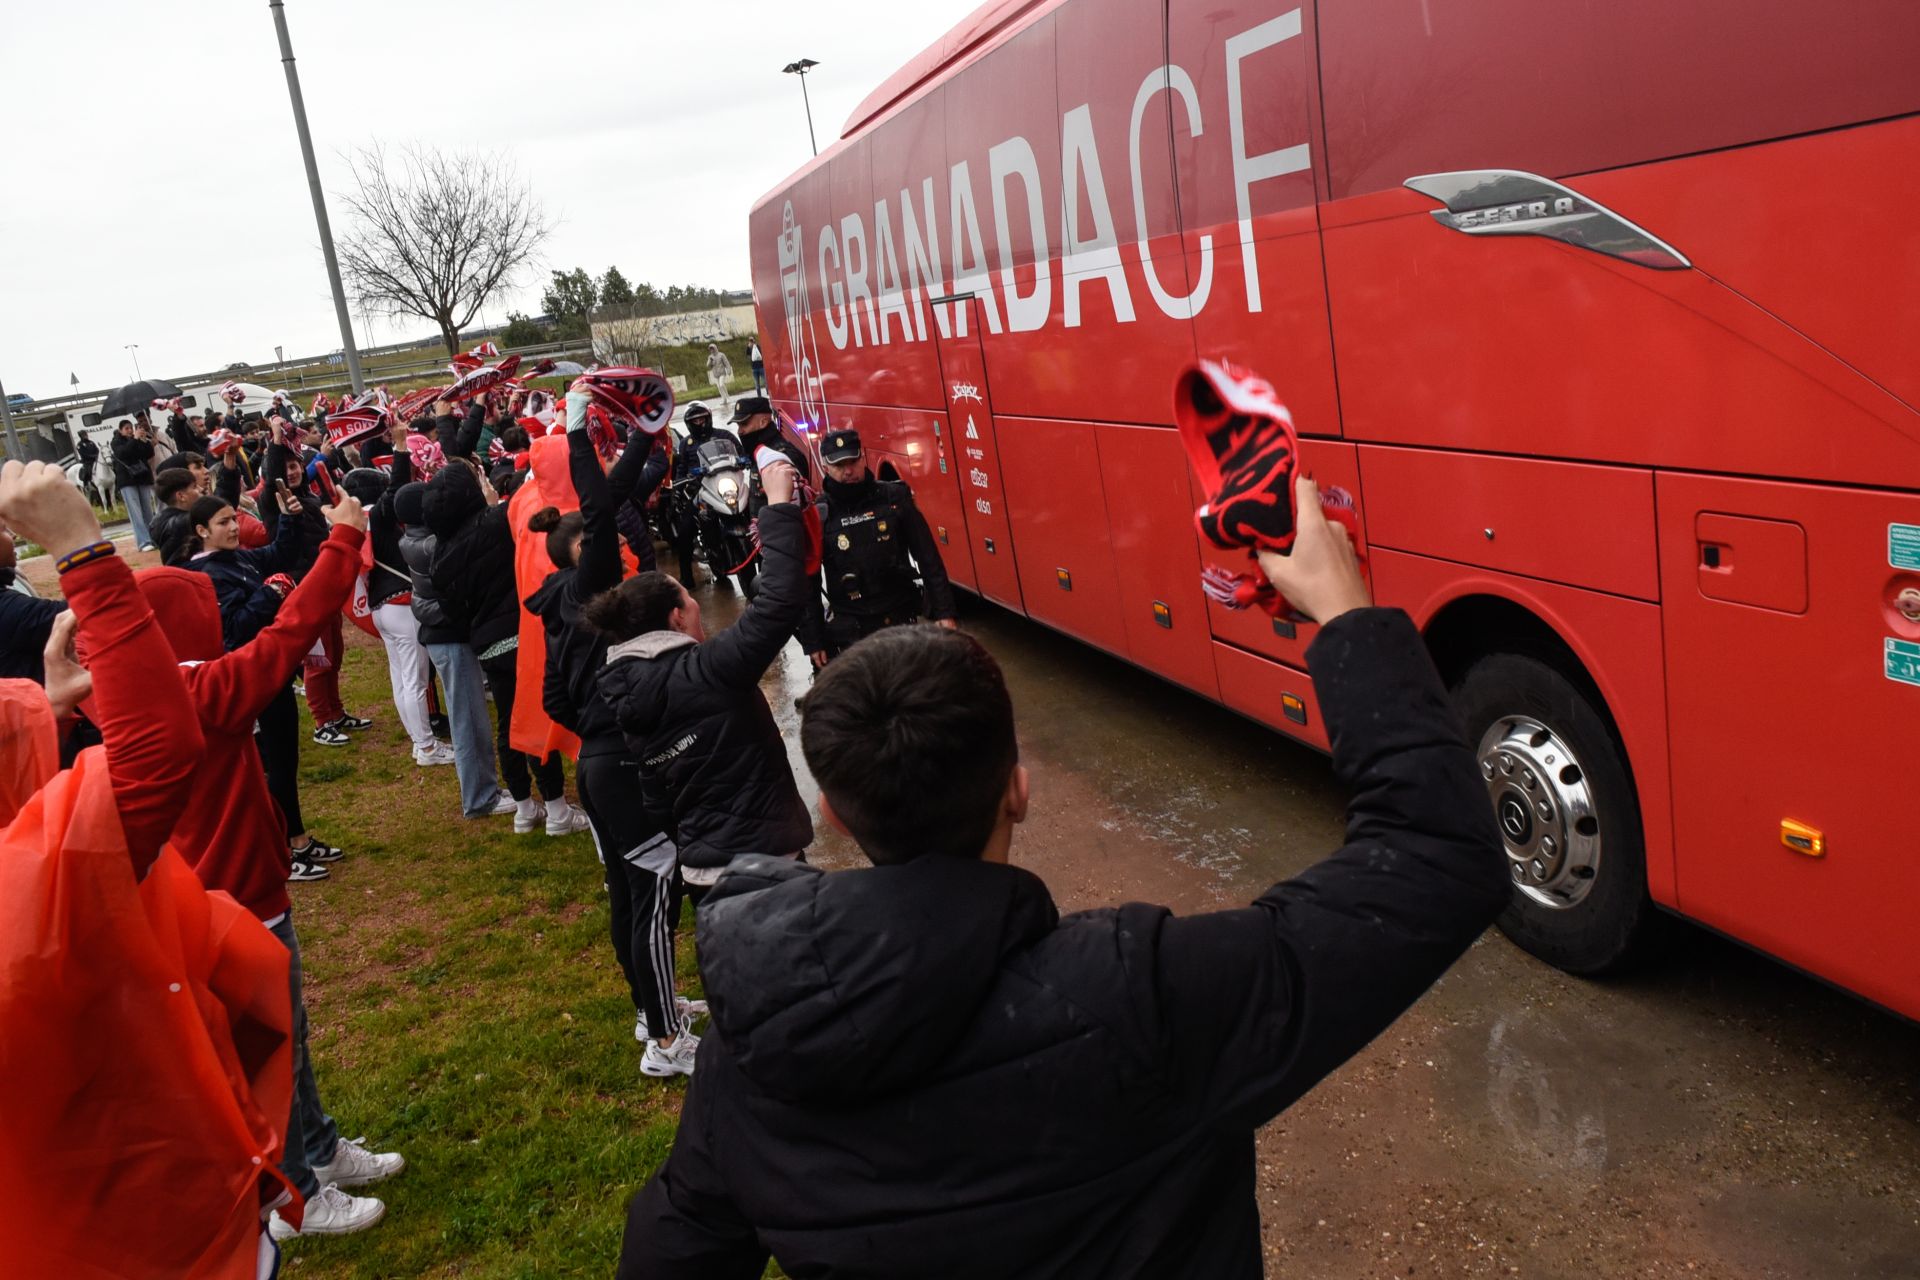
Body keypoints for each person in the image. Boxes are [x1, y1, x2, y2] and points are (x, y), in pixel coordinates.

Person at [613, 476, 1512, 1279]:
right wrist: (1345, 614)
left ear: (837, 815)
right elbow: (1436, 859)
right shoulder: (1140, 995)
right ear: (1018, 791)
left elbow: (673, 1249)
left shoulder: (753, 1044)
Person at [0, 459, 295, 1278]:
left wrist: (55, 706)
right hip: (164, 1228)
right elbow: (160, 747)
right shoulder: (41, 889)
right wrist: (81, 551)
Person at [139, 493, 403, 1243]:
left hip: (249, 886)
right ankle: (293, 1195)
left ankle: (318, 1148)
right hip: (234, 902)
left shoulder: (174, 682)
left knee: (291, 1032)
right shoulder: (194, 690)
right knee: (268, 1050)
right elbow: (285, 633)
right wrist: (342, 538)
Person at [525, 420, 701, 1076]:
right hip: (622, 766)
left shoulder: (562, 611)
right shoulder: (587, 588)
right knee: (656, 890)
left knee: (630, 894)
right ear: (584, 556)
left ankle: (652, 1008)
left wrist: (644, 437)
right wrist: (578, 428)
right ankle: (664, 1043)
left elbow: (553, 700)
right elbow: (604, 509)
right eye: (608, 547)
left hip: (599, 763)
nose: (624, 552)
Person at [586, 456, 813, 908]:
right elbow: (778, 603)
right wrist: (780, 507)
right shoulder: (711, 669)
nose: (698, 611)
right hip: (771, 868)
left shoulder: (623, 690)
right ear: (676, 617)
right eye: (692, 602)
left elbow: (658, 802)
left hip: (704, 877)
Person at [186, 491, 343, 879]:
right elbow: (236, 627)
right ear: (202, 530)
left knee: (285, 763)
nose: (233, 527)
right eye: (223, 522)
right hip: (248, 680)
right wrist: (270, 593)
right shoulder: (208, 574)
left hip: (271, 676)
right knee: (270, 768)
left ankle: (298, 840)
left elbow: (275, 555)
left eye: (232, 519)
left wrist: (288, 518)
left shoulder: (235, 557)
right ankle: (282, 852)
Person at [424, 460, 586, 836]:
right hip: (523, 636)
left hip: (487, 646)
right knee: (537, 720)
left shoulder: (439, 559)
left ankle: (524, 808)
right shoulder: (497, 523)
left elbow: (452, 613)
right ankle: (558, 810)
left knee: (510, 724)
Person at [396, 477, 513, 819]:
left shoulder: (414, 539)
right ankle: (480, 797)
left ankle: (482, 790)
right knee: (469, 720)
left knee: (471, 716)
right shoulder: (432, 546)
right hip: (448, 637)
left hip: (443, 634)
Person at [798, 428, 958, 667]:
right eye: (839, 465)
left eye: (852, 461)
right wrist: (814, 640)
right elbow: (809, 583)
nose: (848, 471)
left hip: (899, 618)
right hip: (852, 629)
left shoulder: (894, 498)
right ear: (826, 466)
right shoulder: (819, 515)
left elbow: (928, 557)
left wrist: (945, 612)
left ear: (863, 458)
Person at [343, 460, 453, 767]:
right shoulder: (376, 517)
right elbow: (394, 491)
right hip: (401, 605)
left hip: (381, 607)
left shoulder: (355, 521)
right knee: (415, 681)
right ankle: (427, 747)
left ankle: (420, 744)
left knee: (402, 680)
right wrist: (401, 450)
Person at [667, 401, 729, 585]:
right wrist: (678, 488)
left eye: (702, 418)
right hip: (700, 490)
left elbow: (740, 453)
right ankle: (686, 577)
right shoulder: (686, 444)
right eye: (695, 420)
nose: (700, 422)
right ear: (688, 423)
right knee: (685, 532)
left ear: (709, 417)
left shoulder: (723, 435)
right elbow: (681, 469)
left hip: (725, 487)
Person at [108, 418, 158, 550]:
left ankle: (153, 538)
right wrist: (135, 440)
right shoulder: (116, 442)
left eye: (131, 428)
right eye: (126, 428)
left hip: (142, 478)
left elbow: (148, 454)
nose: (130, 431)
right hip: (127, 481)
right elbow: (123, 453)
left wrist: (146, 442)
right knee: (135, 512)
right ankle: (143, 542)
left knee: (148, 510)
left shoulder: (138, 439)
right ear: (120, 430)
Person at [729, 397, 807, 477]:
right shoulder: (758, 452)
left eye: (744, 424)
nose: (739, 431)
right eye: (738, 426)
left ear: (763, 422)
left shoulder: (777, 458)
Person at [148, 466, 202, 566]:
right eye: (194, 487)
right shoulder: (183, 523)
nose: (200, 490)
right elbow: (217, 511)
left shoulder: (160, 521)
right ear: (181, 496)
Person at [74, 430, 101, 506]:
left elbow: (97, 450)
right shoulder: (79, 445)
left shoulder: (91, 442)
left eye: (85, 434)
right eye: (84, 434)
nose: (86, 435)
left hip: (95, 460)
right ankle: (86, 484)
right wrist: (92, 456)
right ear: (81, 436)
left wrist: (97, 455)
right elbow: (83, 454)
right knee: (87, 471)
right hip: (87, 462)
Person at [706, 343, 734, 409]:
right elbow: (707, 365)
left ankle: (728, 397)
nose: (711, 350)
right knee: (719, 387)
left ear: (715, 348)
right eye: (710, 349)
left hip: (722, 373)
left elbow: (726, 363)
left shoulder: (721, 355)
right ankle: (724, 399)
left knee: (721, 385)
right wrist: (710, 360)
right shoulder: (710, 357)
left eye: (712, 348)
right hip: (716, 374)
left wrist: (729, 370)